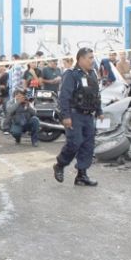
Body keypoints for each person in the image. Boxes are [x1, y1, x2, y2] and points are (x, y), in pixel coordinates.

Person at [53, 48, 104, 186]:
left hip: (88, 116)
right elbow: (64, 96)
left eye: (93, 57)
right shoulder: (71, 74)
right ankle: (60, 164)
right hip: (74, 115)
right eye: (89, 58)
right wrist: (66, 116)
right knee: (74, 143)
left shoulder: (92, 74)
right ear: (81, 59)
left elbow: (96, 94)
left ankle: (82, 175)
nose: (92, 60)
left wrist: (99, 111)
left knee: (88, 145)